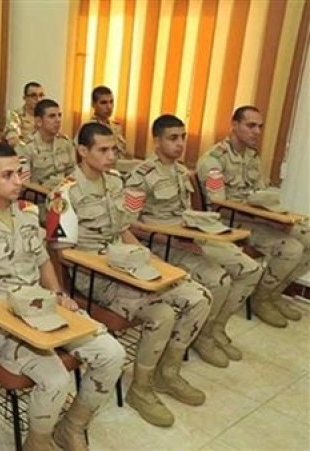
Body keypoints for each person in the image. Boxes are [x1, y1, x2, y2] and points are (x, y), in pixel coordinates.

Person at [0, 144, 125, 450]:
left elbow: (42, 261)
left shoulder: (28, 214)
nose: (18, 181)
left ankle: (72, 426)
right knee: (56, 379)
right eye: (7, 175)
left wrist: (59, 293)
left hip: (41, 306)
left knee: (112, 353)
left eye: (19, 173)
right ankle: (37, 442)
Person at [63, 122, 211, 427]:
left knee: (200, 297)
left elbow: (124, 230)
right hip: (95, 275)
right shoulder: (66, 192)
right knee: (162, 314)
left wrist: (152, 261)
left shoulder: (115, 183)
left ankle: (166, 373)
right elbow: (62, 252)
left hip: (128, 264)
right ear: (82, 151)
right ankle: (141, 389)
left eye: (113, 149)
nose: (111, 156)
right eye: (103, 150)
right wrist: (110, 265)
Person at [126, 115, 263, 367]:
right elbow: (130, 226)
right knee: (219, 280)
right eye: (173, 138)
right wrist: (174, 239)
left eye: (183, 137)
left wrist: (202, 230)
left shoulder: (181, 172)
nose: (180, 143)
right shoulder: (141, 175)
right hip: (162, 244)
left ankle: (213, 329)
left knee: (250, 268)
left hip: (190, 235)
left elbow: (185, 214)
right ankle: (199, 338)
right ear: (157, 141)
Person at [198, 105, 310, 328]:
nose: (257, 131)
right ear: (234, 125)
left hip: (255, 219)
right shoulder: (214, 160)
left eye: (259, 126)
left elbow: (261, 194)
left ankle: (273, 293)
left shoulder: (252, 156)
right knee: (291, 248)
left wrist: (275, 217)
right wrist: (265, 217)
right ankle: (260, 299)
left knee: (308, 235)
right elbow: (220, 204)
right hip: (229, 222)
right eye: (251, 125)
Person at [16, 98, 77, 191]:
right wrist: (50, 193)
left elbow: (73, 173)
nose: (58, 120)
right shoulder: (25, 147)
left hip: (65, 192)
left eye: (59, 115)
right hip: (39, 194)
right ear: (39, 121)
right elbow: (24, 182)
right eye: (52, 116)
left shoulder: (66, 143)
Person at [84, 86, 127, 159]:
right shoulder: (88, 128)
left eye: (111, 102)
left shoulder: (116, 127)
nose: (109, 107)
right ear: (93, 104)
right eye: (103, 103)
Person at [4, 82, 45, 147]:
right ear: (24, 98)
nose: (38, 99)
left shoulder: (46, 115)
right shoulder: (15, 114)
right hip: (24, 151)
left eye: (41, 95)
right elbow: (13, 141)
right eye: (33, 96)